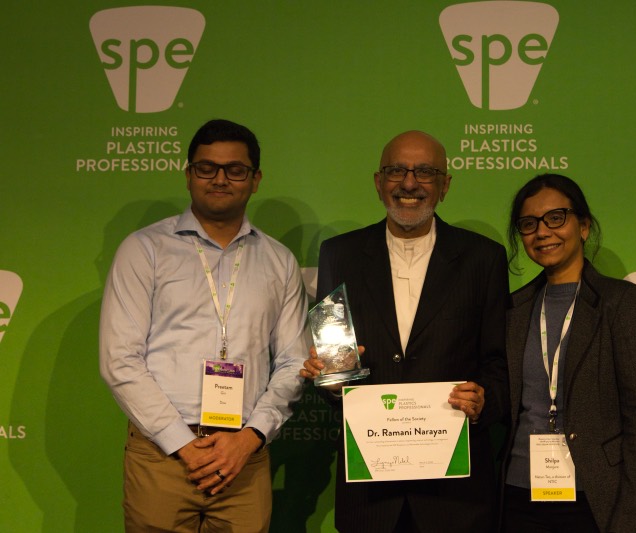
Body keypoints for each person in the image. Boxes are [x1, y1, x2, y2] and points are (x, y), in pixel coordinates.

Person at [99, 119, 307, 532]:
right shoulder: (145, 250)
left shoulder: (278, 260)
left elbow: (293, 362)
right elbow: (119, 359)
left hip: (243, 456)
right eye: (207, 167)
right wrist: (182, 443)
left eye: (235, 170)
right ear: (189, 174)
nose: (220, 179)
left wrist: (249, 439)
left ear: (255, 179)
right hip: (162, 454)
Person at [300, 130, 509, 532]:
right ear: (378, 182)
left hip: (455, 498)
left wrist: (485, 400)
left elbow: (500, 364)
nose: (409, 183)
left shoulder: (483, 258)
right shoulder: (339, 254)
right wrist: (331, 380)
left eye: (425, 172)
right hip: (371, 497)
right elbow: (335, 369)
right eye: (397, 171)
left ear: (445, 185)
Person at [500, 173, 636, 532]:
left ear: (584, 226)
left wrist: (634, 515)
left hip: (596, 496)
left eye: (555, 218)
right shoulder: (513, 309)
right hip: (516, 496)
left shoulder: (622, 303)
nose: (542, 232)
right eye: (529, 224)